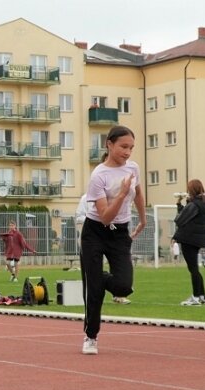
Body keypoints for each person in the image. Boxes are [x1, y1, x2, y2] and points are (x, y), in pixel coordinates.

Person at [80, 125, 146, 355]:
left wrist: (143, 218)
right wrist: (120, 193)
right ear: (109, 144)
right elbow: (106, 216)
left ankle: (97, 276)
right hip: (95, 231)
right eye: (123, 147)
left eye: (131, 148)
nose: (127, 153)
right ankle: (91, 336)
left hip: (120, 233)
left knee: (123, 287)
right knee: (95, 290)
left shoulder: (133, 167)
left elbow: (137, 193)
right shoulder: (99, 175)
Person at [173, 180, 205, 306]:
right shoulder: (204, 202)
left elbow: (180, 220)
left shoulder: (195, 204)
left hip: (189, 239)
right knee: (195, 269)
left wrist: (184, 204)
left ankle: (195, 297)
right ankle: (202, 296)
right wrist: (181, 204)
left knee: (193, 269)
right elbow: (191, 215)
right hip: (197, 239)